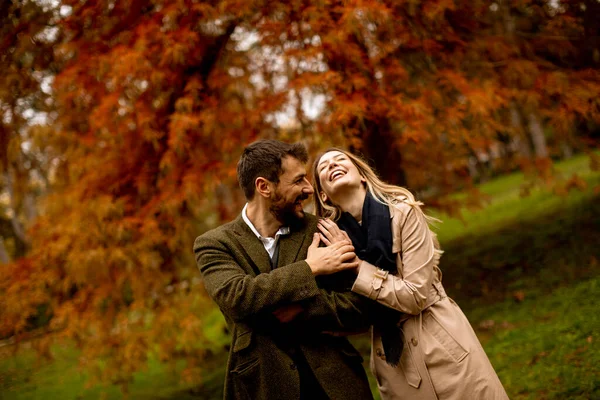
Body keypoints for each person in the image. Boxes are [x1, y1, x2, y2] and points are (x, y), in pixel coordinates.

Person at [312, 148, 509, 400]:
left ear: (361, 175)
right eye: (323, 167)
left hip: (441, 346)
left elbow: (415, 296)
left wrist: (357, 265)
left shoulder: (404, 212)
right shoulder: (332, 242)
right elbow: (348, 311)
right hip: (395, 365)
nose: (332, 165)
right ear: (323, 196)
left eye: (340, 159)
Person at [194, 140, 374, 400]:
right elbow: (238, 297)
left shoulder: (322, 230)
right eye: (298, 180)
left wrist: (305, 309)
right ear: (264, 187)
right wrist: (311, 268)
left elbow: (361, 307)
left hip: (336, 385)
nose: (309, 189)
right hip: (263, 387)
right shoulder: (215, 244)